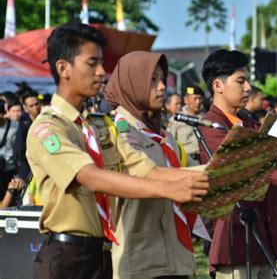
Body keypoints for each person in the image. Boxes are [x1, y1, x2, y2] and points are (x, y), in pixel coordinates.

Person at [26, 23, 209, 279]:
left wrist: (230, 168)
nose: (102, 72)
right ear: (63, 68)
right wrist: (170, 190)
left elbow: (150, 170)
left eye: (102, 63)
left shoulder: (100, 127)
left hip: (103, 255)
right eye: (92, 63)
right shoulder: (48, 128)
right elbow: (91, 177)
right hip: (67, 257)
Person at [199, 49, 277, 279]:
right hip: (235, 240)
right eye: (240, 81)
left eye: (248, 80)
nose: (248, 88)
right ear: (218, 85)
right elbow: (253, 164)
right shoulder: (210, 125)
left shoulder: (249, 122)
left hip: (264, 234)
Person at [105, 51, 201, 279]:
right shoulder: (112, 133)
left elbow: (189, 171)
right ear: (132, 84)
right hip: (140, 259)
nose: (162, 87)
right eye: (152, 80)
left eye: (162, 79)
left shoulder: (163, 137)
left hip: (175, 257)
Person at [167, 84, 205, 163]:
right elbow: (170, 143)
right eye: (194, 99)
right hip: (188, 160)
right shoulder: (177, 119)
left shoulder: (205, 119)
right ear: (186, 100)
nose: (198, 102)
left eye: (200, 98)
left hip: (204, 158)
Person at [0, 98, 23, 208]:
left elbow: (20, 149)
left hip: (10, 168)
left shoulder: (16, 126)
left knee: (11, 198)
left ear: (4, 114)